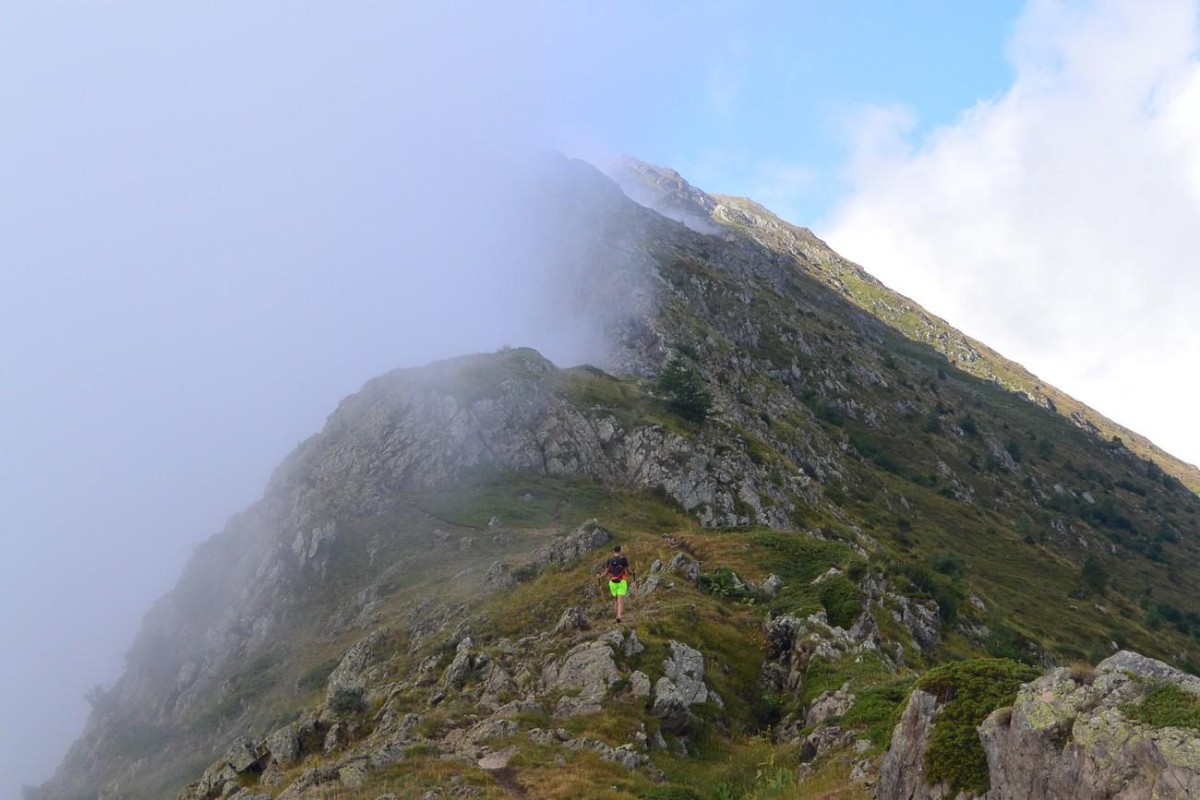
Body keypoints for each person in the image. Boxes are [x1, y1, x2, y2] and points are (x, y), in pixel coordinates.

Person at [599, 545, 633, 622]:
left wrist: (600, 576)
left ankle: (616, 615)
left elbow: (606, 572)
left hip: (612, 582)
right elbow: (628, 571)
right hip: (621, 581)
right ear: (620, 550)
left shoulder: (609, 560)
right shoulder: (623, 560)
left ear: (614, 551)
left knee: (616, 601)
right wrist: (633, 573)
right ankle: (619, 615)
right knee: (620, 600)